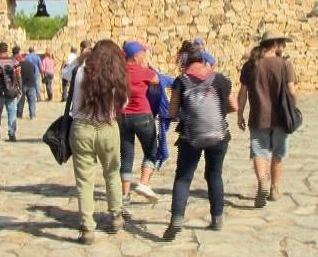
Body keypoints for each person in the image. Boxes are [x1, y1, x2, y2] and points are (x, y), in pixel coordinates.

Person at [163, 41, 237, 241]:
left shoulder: (181, 81)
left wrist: (186, 113)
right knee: (214, 175)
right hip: (218, 136)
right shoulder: (221, 80)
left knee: (183, 178)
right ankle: (217, 218)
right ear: (204, 60)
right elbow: (234, 107)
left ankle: (177, 219)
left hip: (190, 136)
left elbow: (172, 111)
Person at [69, 39, 129, 245]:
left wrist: (81, 57)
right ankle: (115, 216)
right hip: (108, 128)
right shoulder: (117, 75)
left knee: (84, 180)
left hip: (82, 128)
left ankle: (87, 228)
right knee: (112, 173)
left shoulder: (80, 72)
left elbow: (64, 74)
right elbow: (125, 103)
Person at [237, 31, 298, 208]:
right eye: (282, 43)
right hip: (281, 117)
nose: (284, 46)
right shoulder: (285, 65)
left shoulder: (250, 65)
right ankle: (274, 188)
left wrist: (240, 113)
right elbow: (292, 91)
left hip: (258, 117)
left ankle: (262, 182)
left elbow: (242, 93)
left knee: (259, 152)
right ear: (275, 44)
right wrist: (294, 109)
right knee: (278, 154)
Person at [120, 41, 161, 205]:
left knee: (126, 155)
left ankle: (125, 195)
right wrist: (147, 65)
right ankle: (144, 183)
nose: (145, 55)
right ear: (136, 56)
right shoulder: (143, 71)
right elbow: (157, 79)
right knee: (152, 151)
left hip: (123, 117)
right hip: (143, 116)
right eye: (143, 53)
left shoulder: (119, 72)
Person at [17, 53, 37, 120]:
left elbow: (17, 75)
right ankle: (32, 114)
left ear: (20, 58)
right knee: (32, 101)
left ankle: (19, 114)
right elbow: (34, 72)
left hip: (22, 85)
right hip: (31, 84)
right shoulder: (31, 64)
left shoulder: (18, 65)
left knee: (21, 101)